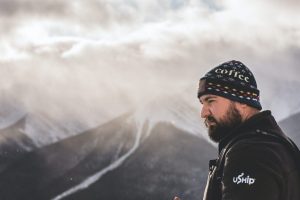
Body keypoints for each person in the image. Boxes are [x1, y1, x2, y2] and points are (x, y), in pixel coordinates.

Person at [173, 60, 300, 200]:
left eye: (211, 101)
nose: (203, 113)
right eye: (202, 103)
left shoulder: (251, 151)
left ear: (242, 101)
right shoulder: (273, 143)